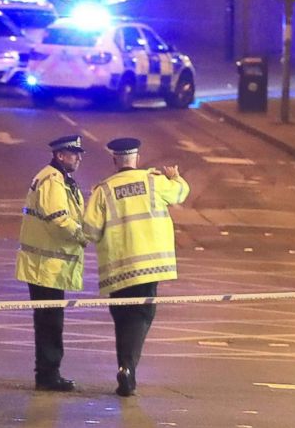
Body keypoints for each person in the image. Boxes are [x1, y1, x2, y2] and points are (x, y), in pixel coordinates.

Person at [83, 137, 190, 397]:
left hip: (118, 268)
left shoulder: (103, 190)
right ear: (138, 159)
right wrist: (176, 177)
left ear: (114, 160)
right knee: (141, 316)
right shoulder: (153, 180)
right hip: (148, 265)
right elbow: (180, 193)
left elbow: (90, 231)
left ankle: (125, 368)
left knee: (122, 318)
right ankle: (127, 369)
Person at [15, 135, 90, 392]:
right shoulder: (52, 180)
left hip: (48, 264)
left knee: (50, 321)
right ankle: (47, 375)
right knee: (50, 323)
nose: (79, 157)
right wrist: (82, 236)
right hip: (44, 264)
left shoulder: (59, 179)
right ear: (60, 155)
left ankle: (48, 373)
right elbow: (59, 219)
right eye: (74, 153)